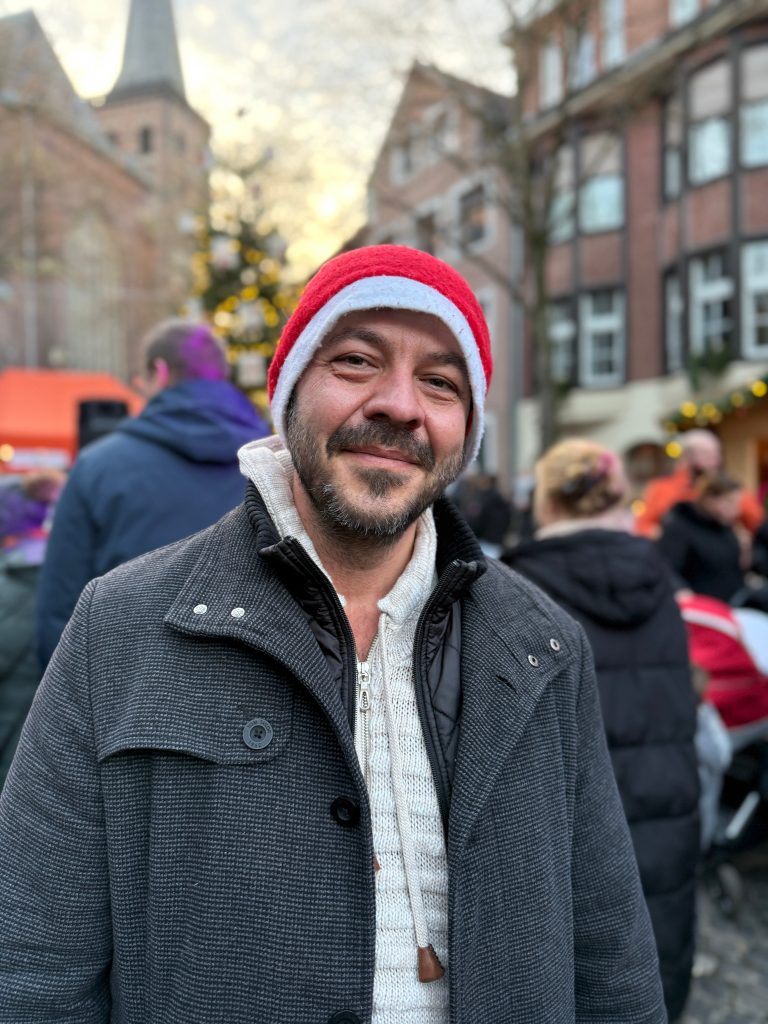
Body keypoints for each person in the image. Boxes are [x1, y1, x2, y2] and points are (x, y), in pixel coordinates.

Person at [0, 246, 665, 1023]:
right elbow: (32, 967)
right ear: (287, 392)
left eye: (441, 382)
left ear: (466, 428)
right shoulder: (120, 626)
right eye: (356, 361)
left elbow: (610, 959)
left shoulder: (544, 646)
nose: (400, 405)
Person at [504, 439, 700, 1022]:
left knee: (572, 953)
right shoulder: (660, 575)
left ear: (547, 502)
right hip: (667, 788)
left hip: (570, 804)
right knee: (659, 938)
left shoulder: (516, 584)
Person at [36, 319, 269, 667]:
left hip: (126, 682)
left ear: (159, 372)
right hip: (255, 685)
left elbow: (60, 609)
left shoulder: (98, 467)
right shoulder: (276, 462)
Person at [635, 429, 763, 539]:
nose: (717, 460)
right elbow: (643, 526)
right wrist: (666, 535)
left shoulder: (728, 488)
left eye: (717, 454)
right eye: (707, 454)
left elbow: (757, 521)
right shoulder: (663, 488)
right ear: (687, 456)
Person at [658, 470, 746, 603]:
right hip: (701, 605)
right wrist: (680, 590)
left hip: (733, 601)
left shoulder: (724, 526)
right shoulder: (680, 526)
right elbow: (666, 567)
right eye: (729, 502)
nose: (736, 510)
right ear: (709, 500)